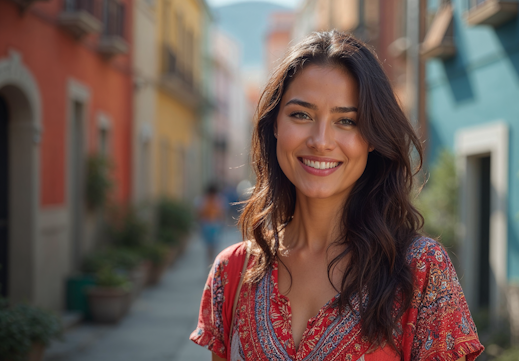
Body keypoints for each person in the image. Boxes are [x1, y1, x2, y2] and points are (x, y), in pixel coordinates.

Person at [191, 31, 484, 361]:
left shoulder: (420, 270)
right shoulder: (231, 272)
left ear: (372, 137)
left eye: (346, 121)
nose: (321, 140)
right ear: (275, 125)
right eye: (301, 114)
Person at [197, 183, 226, 267]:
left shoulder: (213, 200)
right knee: (210, 246)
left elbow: (221, 212)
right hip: (209, 224)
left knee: (212, 246)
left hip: (212, 224)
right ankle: (211, 262)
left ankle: (212, 262)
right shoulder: (207, 200)